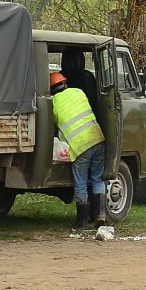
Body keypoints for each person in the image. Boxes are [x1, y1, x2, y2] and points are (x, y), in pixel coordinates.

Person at [51, 70, 107, 231]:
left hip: (80, 147)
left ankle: (81, 222)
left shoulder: (53, 103)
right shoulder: (79, 92)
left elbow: (55, 126)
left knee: (81, 184)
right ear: (65, 83)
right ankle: (101, 216)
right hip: (97, 139)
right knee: (97, 179)